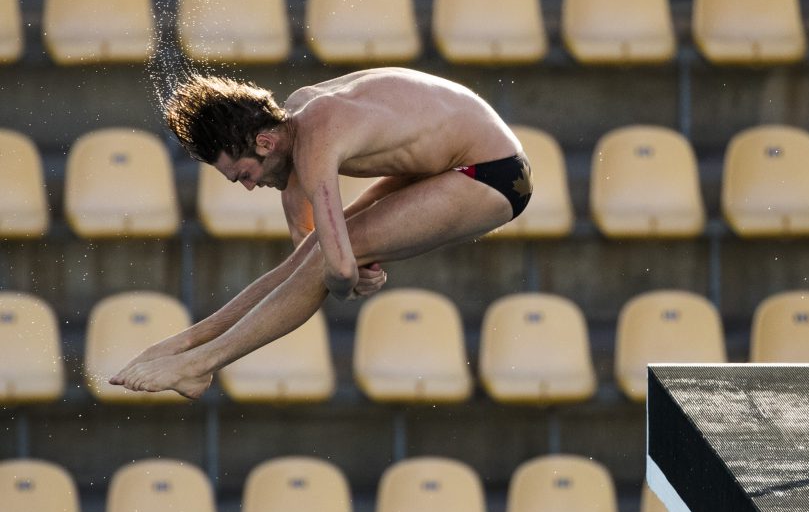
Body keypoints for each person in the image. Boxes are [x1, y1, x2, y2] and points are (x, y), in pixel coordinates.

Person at [110, 66, 532, 400]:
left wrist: (345, 276)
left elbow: (339, 272)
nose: (251, 187)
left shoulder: (316, 143)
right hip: (449, 163)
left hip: (492, 174)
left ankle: (201, 364)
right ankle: (184, 346)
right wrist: (337, 266)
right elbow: (306, 255)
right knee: (313, 257)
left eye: (244, 175)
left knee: (327, 258)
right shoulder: (295, 117)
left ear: (263, 143)